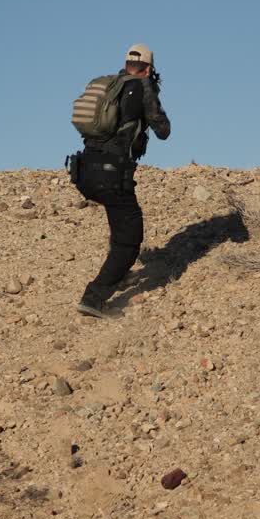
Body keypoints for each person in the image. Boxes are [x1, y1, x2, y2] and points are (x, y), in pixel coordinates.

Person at [74, 44, 171, 318]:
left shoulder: (110, 86)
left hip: (84, 171)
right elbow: (163, 129)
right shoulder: (142, 88)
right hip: (112, 174)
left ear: (126, 64)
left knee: (120, 226)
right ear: (148, 69)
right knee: (130, 239)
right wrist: (151, 97)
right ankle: (94, 298)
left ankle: (119, 274)